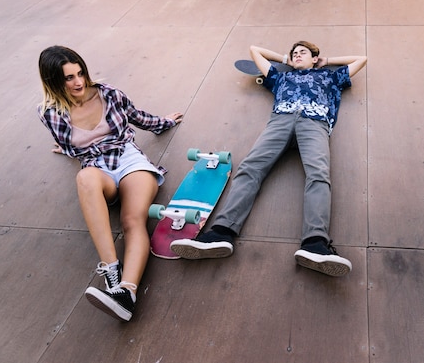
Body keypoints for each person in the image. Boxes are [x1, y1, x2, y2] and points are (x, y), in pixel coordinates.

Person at [171, 41, 367, 277]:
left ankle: (315, 243)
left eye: (302, 52)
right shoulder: (280, 77)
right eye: (295, 53)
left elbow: (361, 59)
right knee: (250, 169)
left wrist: (327, 61)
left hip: (314, 122)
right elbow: (254, 50)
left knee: (319, 175)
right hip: (280, 120)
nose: (297, 55)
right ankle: (221, 233)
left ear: (315, 58)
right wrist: (285, 60)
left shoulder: (328, 76)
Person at [37, 45, 183, 321]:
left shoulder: (109, 94)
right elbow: (69, 144)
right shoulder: (49, 112)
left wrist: (165, 122)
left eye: (80, 73)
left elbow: (137, 117)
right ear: (53, 81)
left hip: (128, 161)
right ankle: (111, 269)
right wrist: (67, 148)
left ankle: (126, 292)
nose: (78, 82)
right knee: (84, 177)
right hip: (97, 169)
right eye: (68, 78)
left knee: (132, 220)